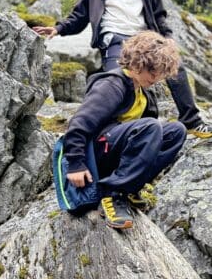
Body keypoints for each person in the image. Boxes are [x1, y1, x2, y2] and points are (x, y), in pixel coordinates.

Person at [33, 0, 212, 139]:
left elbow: (158, 14)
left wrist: (167, 38)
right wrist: (58, 28)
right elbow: (79, 16)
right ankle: (113, 130)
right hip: (115, 40)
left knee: (175, 66)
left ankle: (192, 121)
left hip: (145, 39)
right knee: (117, 80)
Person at [61, 31, 186, 229]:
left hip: (116, 150)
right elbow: (79, 124)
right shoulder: (112, 85)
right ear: (137, 63)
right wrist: (76, 164)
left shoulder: (144, 94)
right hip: (95, 154)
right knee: (151, 127)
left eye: (161, 72)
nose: (156, 77)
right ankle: (113, 194)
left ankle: (130, 187)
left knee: (176, 131)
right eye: (152, 70)